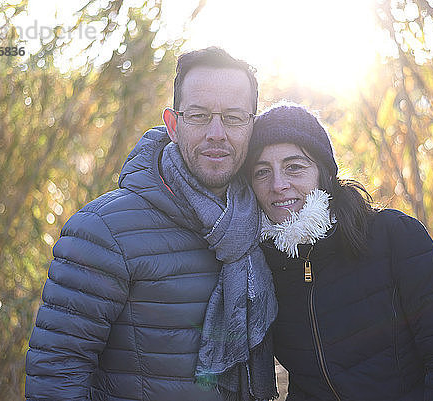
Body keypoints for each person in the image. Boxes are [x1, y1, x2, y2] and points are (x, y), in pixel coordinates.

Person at [25, 47, 278, 401]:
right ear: (173, 125)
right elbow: (56, 376)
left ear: (252, 126)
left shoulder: (265, 223)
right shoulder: (102, 231)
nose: (217, 133)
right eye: (199, 115)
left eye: (234, 117)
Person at [245, 103, 433, 401]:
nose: (278, 185)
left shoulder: (395, 236)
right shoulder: (260, 266)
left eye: (294, 167)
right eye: (262, 172)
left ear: (324, 173)